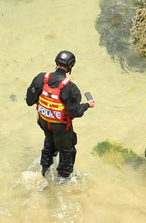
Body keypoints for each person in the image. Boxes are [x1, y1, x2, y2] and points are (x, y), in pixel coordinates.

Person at [25, 50, 94, 180]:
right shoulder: (71, 88)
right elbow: (75, 112)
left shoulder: (41, 78)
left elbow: (29, 101)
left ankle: (43, 173)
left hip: (43, 121)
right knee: (67, 151)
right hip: (61, 126)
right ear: (71, 66)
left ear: (56, 62)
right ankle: (63, 181)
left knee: (49, 144)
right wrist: (87, 105)